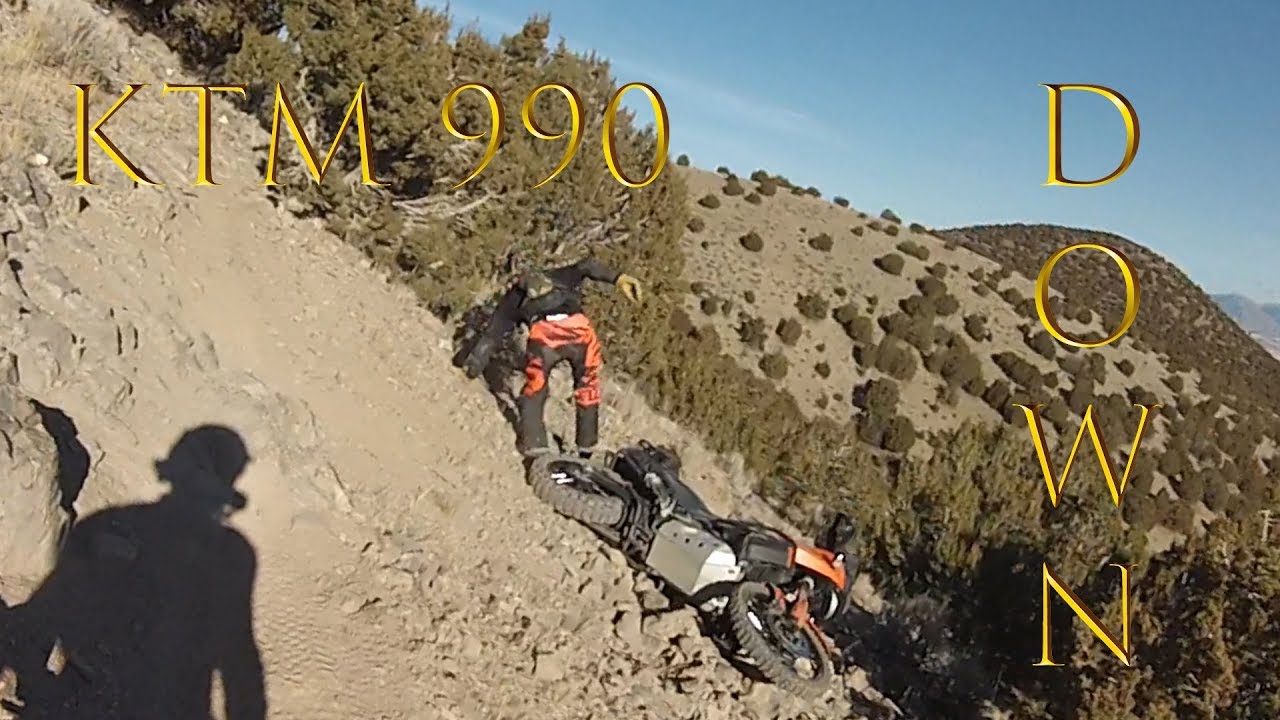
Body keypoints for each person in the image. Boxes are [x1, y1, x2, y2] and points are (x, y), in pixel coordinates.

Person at [463, 255, 642, 459]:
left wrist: (472, 366)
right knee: (587, 387)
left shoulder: (513, 299)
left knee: (536, 387)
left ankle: (535, 445)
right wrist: (619, 278)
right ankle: (586, 449)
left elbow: (492, 335)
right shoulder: (560, 276)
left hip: (546, 340)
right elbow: (587, 266)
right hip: (580, 333)